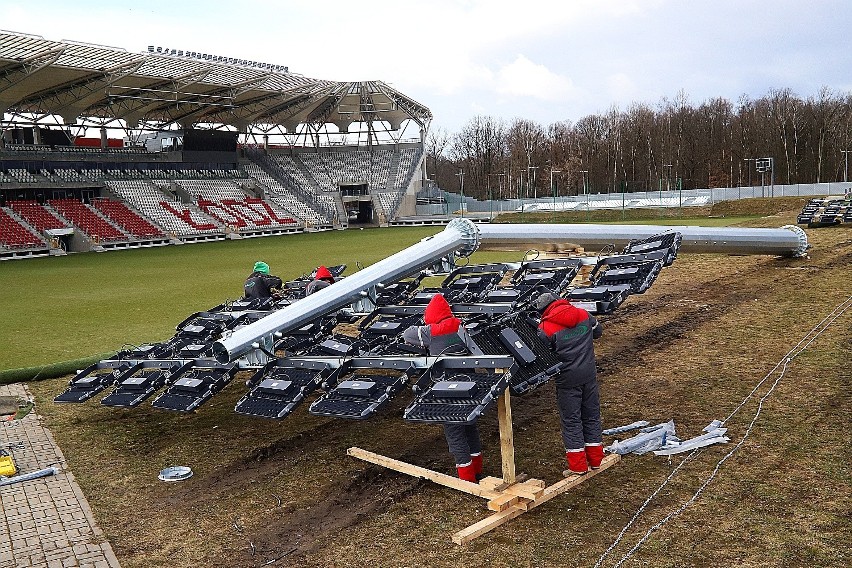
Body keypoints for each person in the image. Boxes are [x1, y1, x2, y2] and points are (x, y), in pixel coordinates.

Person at [402, 293, 483, 483]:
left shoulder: (431, 332)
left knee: (454, 431)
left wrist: (425, 324)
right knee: (470, 426)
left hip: (446, 389)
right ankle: (478, 469)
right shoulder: (460, 326)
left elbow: (407, 334)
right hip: (469, 385)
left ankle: (467, 479)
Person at [535, 292, 604, 475]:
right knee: (591, 416)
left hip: (567, 380)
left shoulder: (545, 327)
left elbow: (544, 356)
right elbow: (598, 332)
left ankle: (578, 467)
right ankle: (596, 461)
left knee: (571, 421)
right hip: (589, 375)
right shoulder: (582, 314)